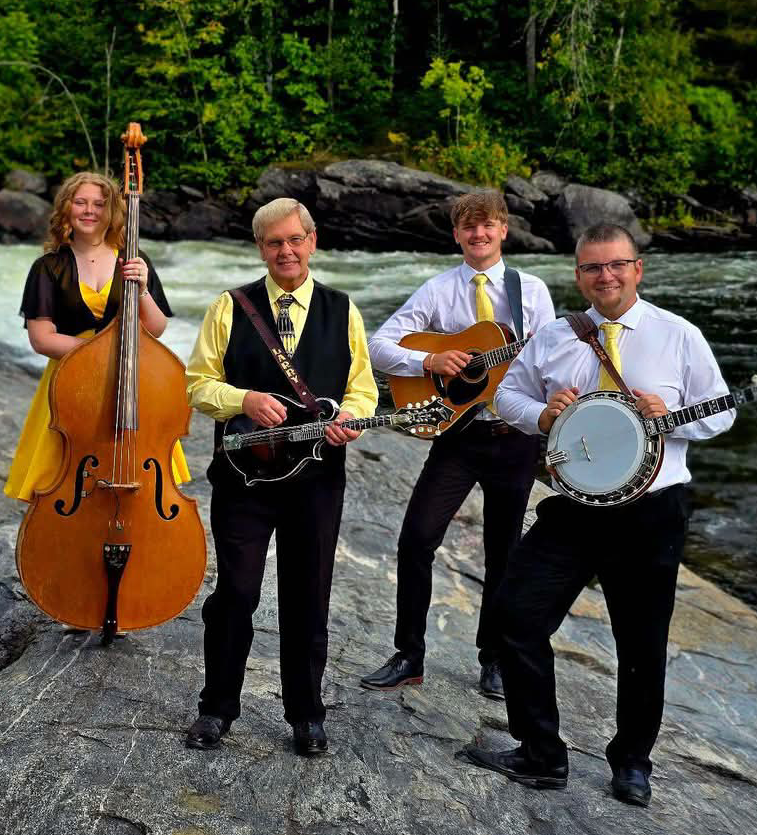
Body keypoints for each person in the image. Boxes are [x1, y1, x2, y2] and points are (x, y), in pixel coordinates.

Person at [463, 222, 736, 806]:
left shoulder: (678, 335)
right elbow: (507, 395)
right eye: (592, 268)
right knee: (515, 617)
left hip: (651, 512)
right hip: (574, 510)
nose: (605, 277)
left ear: (637, 269)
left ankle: (632, 763)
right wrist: (541, 413)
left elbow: (723, 417)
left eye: (616, 265)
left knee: (641, 644)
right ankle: (540, 753)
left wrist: (674, 412)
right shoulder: (558, 336)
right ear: (579, 274)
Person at [184, 197, 378, 755]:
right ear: (260, 248)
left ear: (312, 241)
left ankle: (306, 715)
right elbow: (198, 384)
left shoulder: (344, 309)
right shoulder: (230, 305)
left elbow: (362, 389)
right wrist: (241, 397)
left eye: (295, 240)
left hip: (317, 480)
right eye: (275, 243)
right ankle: (216, 708)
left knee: (308, 597)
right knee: (236, 593)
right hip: (242, 479)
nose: (286, 251)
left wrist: (350, 418)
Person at [360, 191, 555, 699]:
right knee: (417, 538)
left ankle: (493, 658)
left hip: (514, 438)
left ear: (504, 230)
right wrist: (429, 362)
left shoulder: (530, 291)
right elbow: (380, 345)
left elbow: (549, 361)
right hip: (458, 434)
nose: (479, 235)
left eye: (488, 225)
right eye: (469, 228)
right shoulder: (439, 290)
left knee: (503, 553)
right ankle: (409, 654)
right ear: (457, 235)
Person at [5, 171, 188, 505]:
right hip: (70, 381)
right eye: (80, 202)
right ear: (66, 209)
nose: (89, 211)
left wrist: (143, 289)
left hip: (129, 378)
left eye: (99, 204)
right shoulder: (47, 267)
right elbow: (42, 338)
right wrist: (98, 351)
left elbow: (156, 328)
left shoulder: (135, 259)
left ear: (112, 212)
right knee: (62, 478)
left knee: (137, 470)